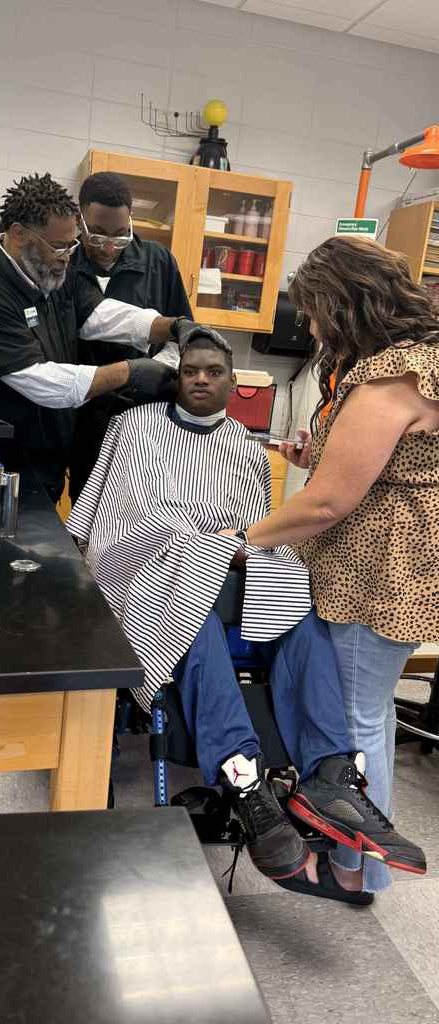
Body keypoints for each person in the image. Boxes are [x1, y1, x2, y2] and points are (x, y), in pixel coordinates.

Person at [67, 323, 425, 898]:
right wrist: (185, 546)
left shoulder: (245, 446)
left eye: (213, 373)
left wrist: (236, 548)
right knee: (190, 606)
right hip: (151, 560)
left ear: (235, 383)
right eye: (190, 372)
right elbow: (103, 518)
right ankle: (246, 783)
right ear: (176, 378)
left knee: (296, 605)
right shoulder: (130, 427)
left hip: (234, 560)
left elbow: (260, 526)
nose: (201, 381)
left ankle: (331, 774)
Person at [241, 235, 439, 898]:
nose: (313, 327)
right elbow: (385, 468)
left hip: (377, 574)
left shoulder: (389, 379)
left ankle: (354, 871)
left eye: (317, 311)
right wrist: (314, 452)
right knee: (370, 711)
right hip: (407, 564)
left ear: (348, 305)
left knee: (355, 721)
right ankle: (363, 863)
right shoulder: (421, 362)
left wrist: (246, 537)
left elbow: (328, 502)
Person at [0, 173, 180, 501]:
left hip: (48, 461)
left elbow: (102, 315)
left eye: (72, 245)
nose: (67, 256)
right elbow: (42, 382)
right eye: (58, 246)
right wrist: (130, 371)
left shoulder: (52, 274)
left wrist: (172, 326)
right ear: (18, 235)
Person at [69, 171, 193, 502]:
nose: (109, 246)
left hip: (143, 418)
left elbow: (180, 337)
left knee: (135, 507)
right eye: (97, 235)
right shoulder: (65, 262)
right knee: (84, 509)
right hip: (80, 418)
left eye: (121, 235)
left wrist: (153, 372)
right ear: (79, 220)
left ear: (132, 221)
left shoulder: (158, 262)